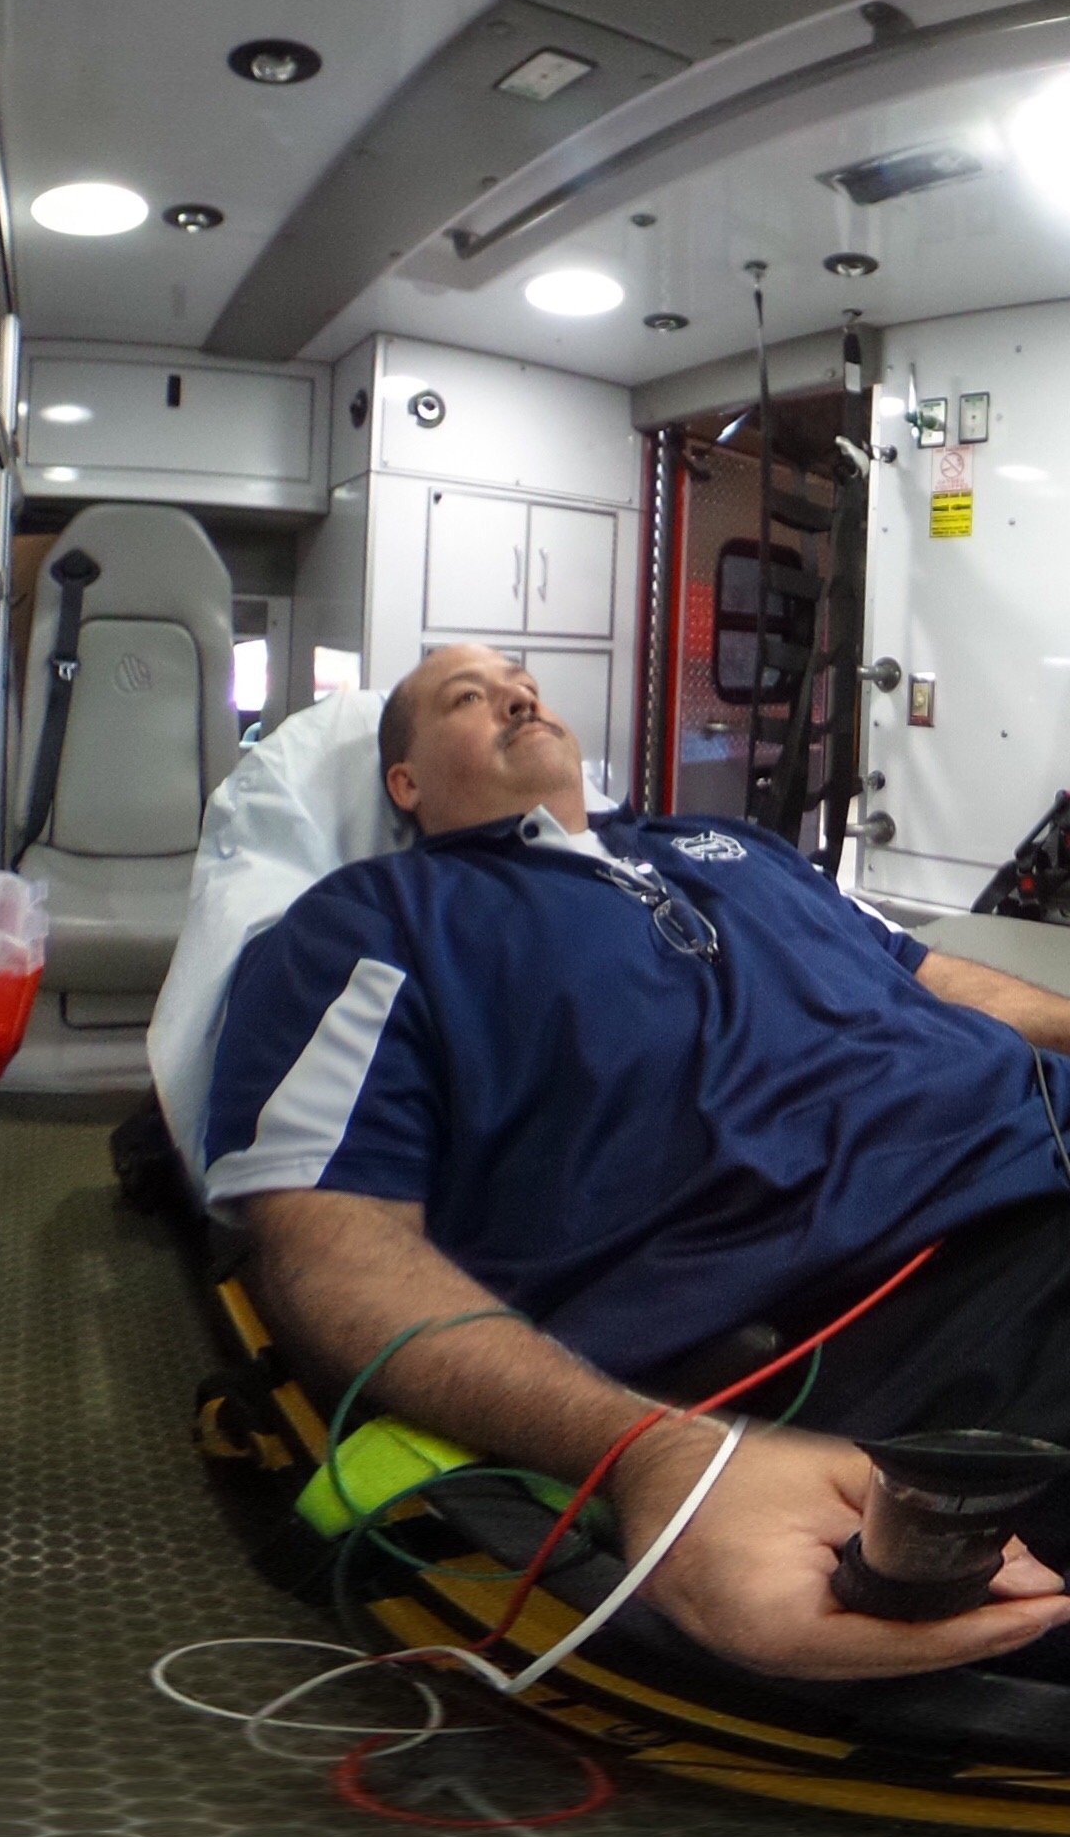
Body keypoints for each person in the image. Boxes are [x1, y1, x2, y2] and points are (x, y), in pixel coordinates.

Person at [207, 641, 1070, 1681]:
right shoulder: (367, 924)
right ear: (405, 782)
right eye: (468, 697)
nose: (517, 699)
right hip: (904, 1301)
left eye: (522, 683)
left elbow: (935, 981)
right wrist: (655, 1453)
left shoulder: (736, 849)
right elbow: (333, 1246)